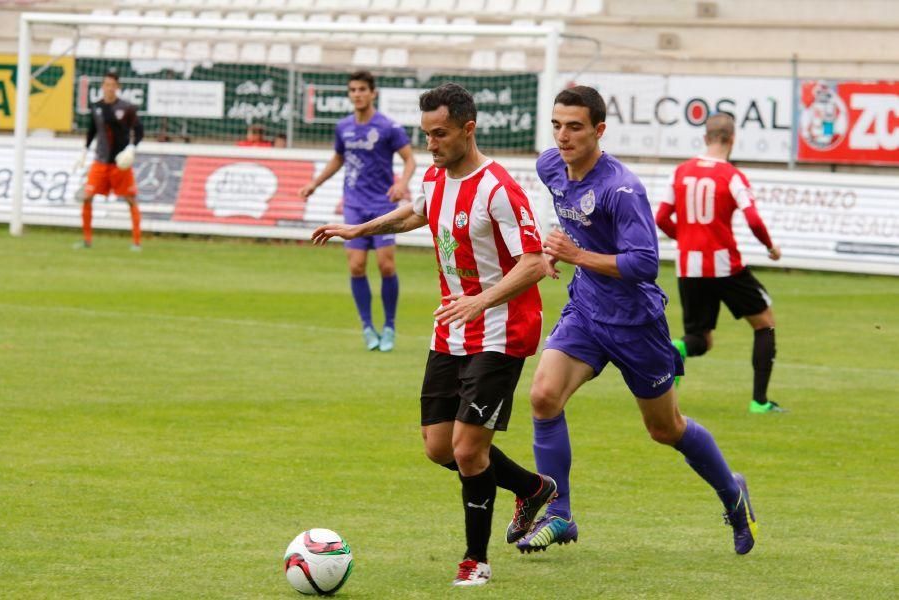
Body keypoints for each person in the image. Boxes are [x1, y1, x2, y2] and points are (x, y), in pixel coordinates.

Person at [311, 83, 557, 587]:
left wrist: (480, 300)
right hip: (452, 330)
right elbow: (418, 212)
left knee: (468, 450)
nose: (431, 144)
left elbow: (533, 264)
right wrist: (361, 229)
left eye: (440, 134)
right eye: (426, 134)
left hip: (501, 329)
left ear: (469, 129)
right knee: (439, 447)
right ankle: (532, 487)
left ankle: (476, 560)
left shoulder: (499, 190)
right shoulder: (437, 176)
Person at [513, 86, 758, 557]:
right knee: (543, 396)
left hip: (635, 322)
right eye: (557, 125)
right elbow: (571, 221)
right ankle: (560, 513)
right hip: (585, 310)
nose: (563, 136)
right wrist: (552, 252)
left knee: (665, 428)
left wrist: (577, 253)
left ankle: (732, 493)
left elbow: (644, 262)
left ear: (599, 130)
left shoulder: (622, 188)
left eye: (575, 127)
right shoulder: (550, 166)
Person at [655, 113, 785, 414]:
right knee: (765, 323)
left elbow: (661, 218)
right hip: (725, 266)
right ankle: (759, 402)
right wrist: (770, 246)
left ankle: (679, 349)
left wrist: (685, 239)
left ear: (705, 138)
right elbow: (752, 217)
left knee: (701, 339)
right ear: (732, 139)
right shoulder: (731, 176)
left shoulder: (680, 172)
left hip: (689, 266)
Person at [299, 70, 416, 353]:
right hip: (353, 203)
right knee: (356, 266)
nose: (357, 94)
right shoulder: (344, 127)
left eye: (362, 89)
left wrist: (401, 183)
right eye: (353, 89)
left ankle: (389, 326)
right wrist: (314, 183)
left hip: (382, 205)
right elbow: (338, 158)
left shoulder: (388, 127)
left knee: (386, 265)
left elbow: (410, 159)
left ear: (373, 93)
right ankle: (367, 327)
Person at [75, 70, 144, 251]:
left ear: (118, 87)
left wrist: (132, 147)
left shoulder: (127, 108)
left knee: (131, 200)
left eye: (113, 85)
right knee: (87, 197)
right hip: (100, 161)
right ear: (102, 87)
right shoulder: (96, 107)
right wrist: (84, 150)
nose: (109, 88)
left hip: (120, 164)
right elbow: (92, 131)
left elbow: (139, 131)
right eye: (106, 85)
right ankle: (87, 240)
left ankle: (136, 242)